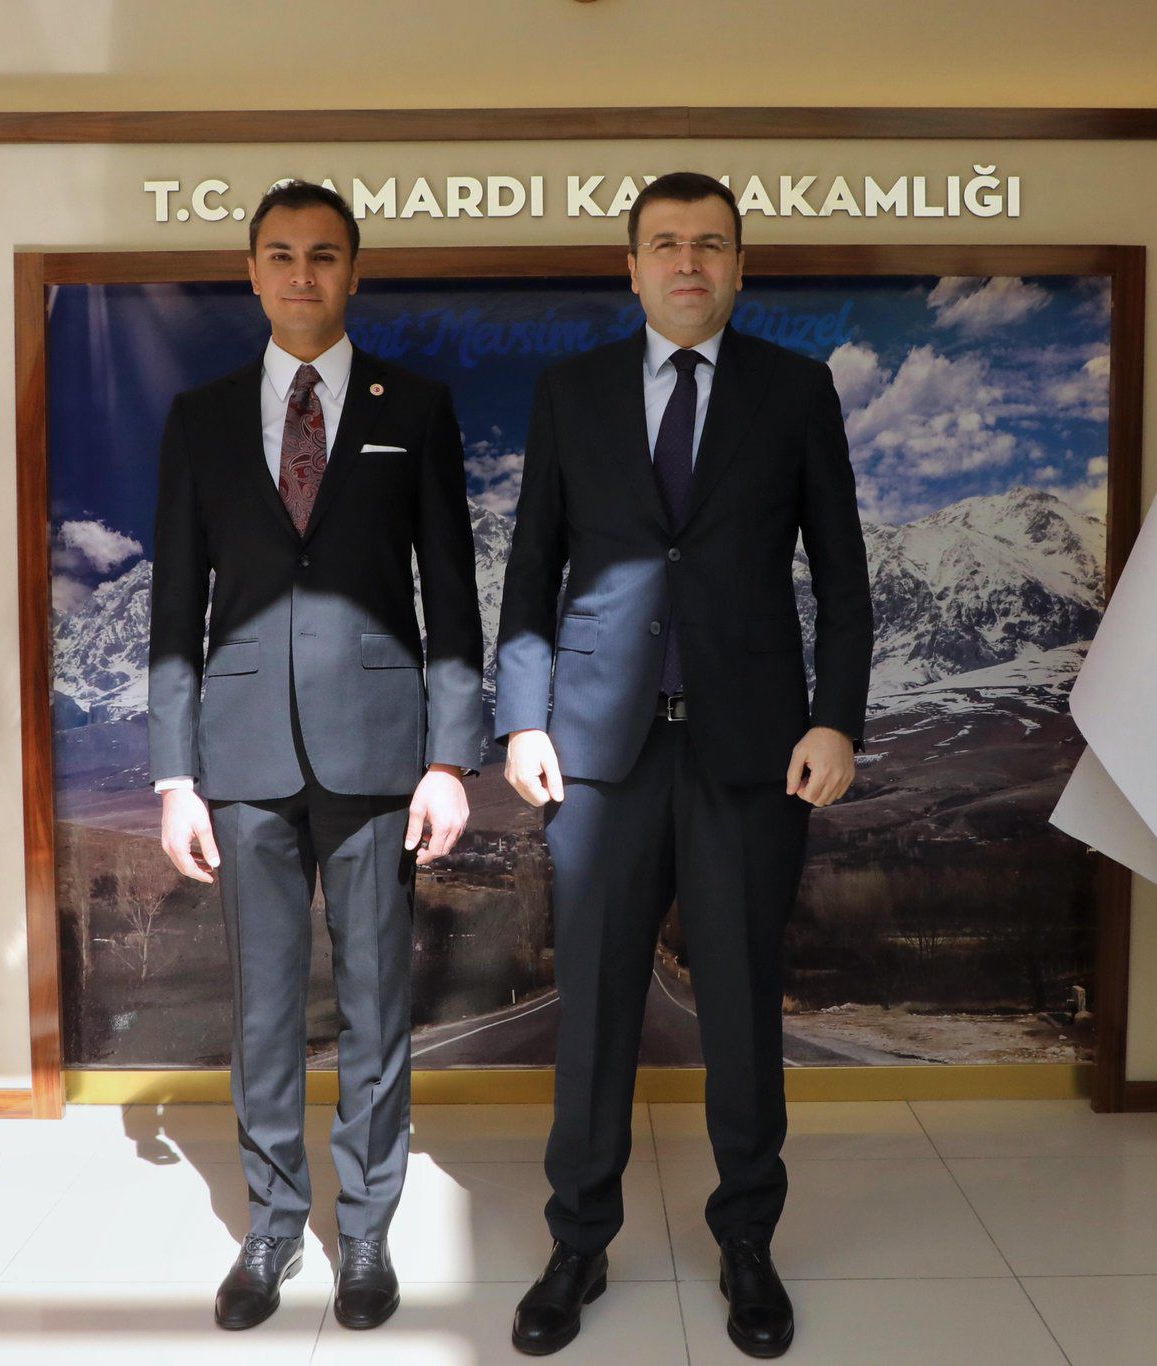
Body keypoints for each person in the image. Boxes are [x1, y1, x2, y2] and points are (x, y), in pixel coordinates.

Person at [495, 172, 873, 1358]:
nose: (687, 262)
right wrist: (522, 719)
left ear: (738, 266)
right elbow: (530, 572)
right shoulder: (569, 394)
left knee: (743, 1008)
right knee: (596, 1008)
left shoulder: (793, 391)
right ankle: (576, 1242)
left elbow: (844, 577)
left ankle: (746, 1239)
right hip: (598, 756)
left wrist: (835, 720)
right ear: (631, 267)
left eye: (709, 243)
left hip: (750, 753)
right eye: (664, 243)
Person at [147, 180, 484, 1333]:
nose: (302, 274)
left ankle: (367, 1230)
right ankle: (273, 1224)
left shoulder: (415, 407)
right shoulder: (199, 418)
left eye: (324, 255)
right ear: (251, 272)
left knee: (378, 1003)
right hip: (239, 759)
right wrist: (173, 775)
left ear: (354, 271)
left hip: (380, 756)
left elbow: (451, 594)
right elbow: (173, 611)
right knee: (262, 1011)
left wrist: (449, 757)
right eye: (281, 255)